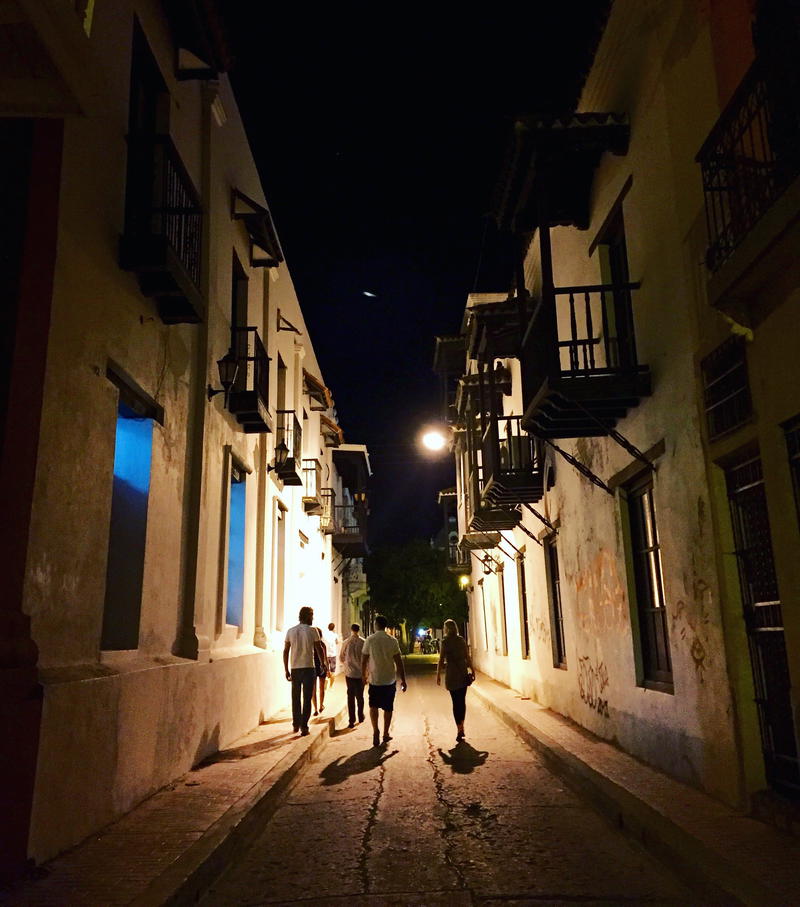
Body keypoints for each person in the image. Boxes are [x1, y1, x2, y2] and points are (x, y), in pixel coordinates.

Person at [362, 615, 407, 747]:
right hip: (389, 679)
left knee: (373, 706)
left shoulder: (370, 640)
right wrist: (403, 679)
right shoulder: (392, 641)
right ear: (385, 626)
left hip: (375, 679)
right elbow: (399, 662)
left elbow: (364, 659)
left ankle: (376, 730)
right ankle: (386, 733)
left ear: (376, 625)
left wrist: (363, 676)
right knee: (388, 707)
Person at [283, 606, 326, 736]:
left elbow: (286, 651)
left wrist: (286, 669)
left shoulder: (290, 631)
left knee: (295, 697)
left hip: (295, 668)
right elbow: (319, 649)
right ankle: (304, 726)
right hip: (309, 668)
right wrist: (323, 664)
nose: (313, 618)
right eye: (312, 615)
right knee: (307, 698)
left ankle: (296, 724)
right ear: (308, 616)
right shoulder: (313, 631)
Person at [436, 618, 474, 742]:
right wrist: (472, 670)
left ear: (446, 629)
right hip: (462, 673)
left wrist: (438, 675)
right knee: (462, 702)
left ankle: (459, 728)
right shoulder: (461, 640)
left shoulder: (445, 642)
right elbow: (467, 657)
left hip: (452, 674)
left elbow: (441, 659)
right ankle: (462, 726)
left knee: (455, 702)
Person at [339, 623, 365, 728]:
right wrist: (366, 674)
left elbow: (341, 657)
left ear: (351, 630)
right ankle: (360, 716)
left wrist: (346, 664)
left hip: (349, 674)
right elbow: (366, 659)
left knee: (350, 697)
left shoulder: (346, 642)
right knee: (360, 696)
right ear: (359, 630)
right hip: (360, 674)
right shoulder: (363, 642)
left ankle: (351, 720)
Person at [311, 626, 329, 715]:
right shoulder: (322, 644)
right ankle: (321, 705)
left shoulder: (310, 644)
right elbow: (325, 658)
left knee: (313, 689)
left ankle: (315, 709)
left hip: (313, 667)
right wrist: (328, 669)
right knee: (321, 688)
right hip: (322, 667)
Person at [323, 622, 340, 687]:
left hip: (326, 654)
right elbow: (337, 642)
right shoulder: (335, 635)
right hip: (333, 654)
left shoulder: (324, 634)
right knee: (333, 671)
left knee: (325, 671)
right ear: (334, 628)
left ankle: (325, 686)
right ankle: (331, 686)